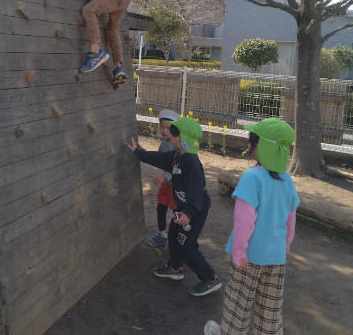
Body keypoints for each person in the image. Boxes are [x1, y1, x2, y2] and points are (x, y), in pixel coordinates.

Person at [204, 117, 299, 335]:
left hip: (249, 257)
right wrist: (284, 246)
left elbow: (244, 222)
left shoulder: (252, 177)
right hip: (276, 258)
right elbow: (291, 217)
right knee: (270, 310)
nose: (249, 147)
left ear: (260, 148)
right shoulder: (287, 180)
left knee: (238, 302)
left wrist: (238, 253)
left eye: (252, 142)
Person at [128, 117, 222, 297]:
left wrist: (189, 212)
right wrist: (140, 153)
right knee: (173, 237)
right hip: (183, 210)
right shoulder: (177, 155)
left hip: (195, 211)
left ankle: (209, 278)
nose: (169, 135)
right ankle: (175, 267)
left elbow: (197, 191)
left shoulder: (192, 162)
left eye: (174, 133)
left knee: (186, 244)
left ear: (184, 138)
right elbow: (160, 158)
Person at [147, 109, 180, 249]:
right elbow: (159, 159)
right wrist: (142, 152)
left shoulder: (179, 143)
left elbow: (179, 167)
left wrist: (165, 175)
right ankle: (162, 235)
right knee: (161, 208)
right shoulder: (164, 143)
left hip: (177, 186)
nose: (165, 131)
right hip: (167, 185)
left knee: (176, 214)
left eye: (168, 127)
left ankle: (174, 241)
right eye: (162, 127)